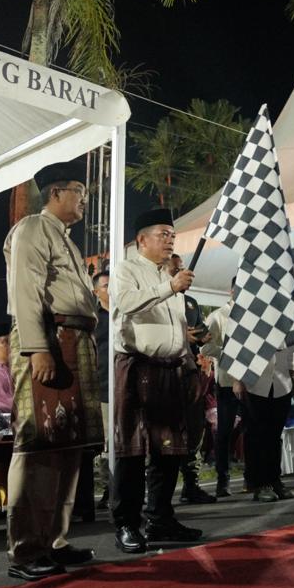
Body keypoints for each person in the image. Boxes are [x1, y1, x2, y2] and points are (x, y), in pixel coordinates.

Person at [3, 161, 102, 581]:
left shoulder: (67, 240)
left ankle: (54, 540)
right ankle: (26, 549)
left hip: (75, 342)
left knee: (68, 448)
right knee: (39, 444)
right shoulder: (32, 229)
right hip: (49, 339)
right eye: (79, 190)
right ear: (56, 193)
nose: (84, 199)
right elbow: (25, 289)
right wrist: (37, 348)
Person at [111, 209, 202, 556]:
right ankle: (127, 524)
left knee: (169, 451)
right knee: (133, 451)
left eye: (172, 235)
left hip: (172, 368)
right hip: (138, 367)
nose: (170, 240)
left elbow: (178, 329)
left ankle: (161, 518)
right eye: (163, 234)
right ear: (141, 240)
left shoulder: (170, 275)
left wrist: (190, 364)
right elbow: (126, 304)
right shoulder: (126, 270)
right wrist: (169, 287)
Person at [167, 254, 216, 505]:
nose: (182, 272)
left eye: (182, 268)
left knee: (195, 428)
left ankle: (191, 484)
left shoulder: (191, 303)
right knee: (166, 430)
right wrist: (179, 334)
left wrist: (202, 337)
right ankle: (160, 492)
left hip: (190, 371)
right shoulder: (156, 300)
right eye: (176, 269)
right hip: (164, 372)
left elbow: (201, 330)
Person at [235, 346, 294, 502]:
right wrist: (237, 379)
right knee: (257, 434)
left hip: (282, 380)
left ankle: (275, 480)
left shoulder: (286, 320)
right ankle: (258, 484)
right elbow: (237, 344)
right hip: (255, 380)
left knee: (275, 435)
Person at [201, 279, 239, 498]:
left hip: (254, 380)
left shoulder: (254, 314)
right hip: (227, 381)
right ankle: (222, 479)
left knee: (253, 428)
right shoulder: (217, 316)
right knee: (224, 431)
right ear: (231, 290)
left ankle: (255, 478)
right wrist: (230, 352)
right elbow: (206, 347)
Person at [93, 270, 111, 509]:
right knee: (106, 445)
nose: (111, 289)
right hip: (103, 388)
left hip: (127, 385)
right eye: (106, 285)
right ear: (96, 291)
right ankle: (109, 488)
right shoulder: (92, 319)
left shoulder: (125, 314)